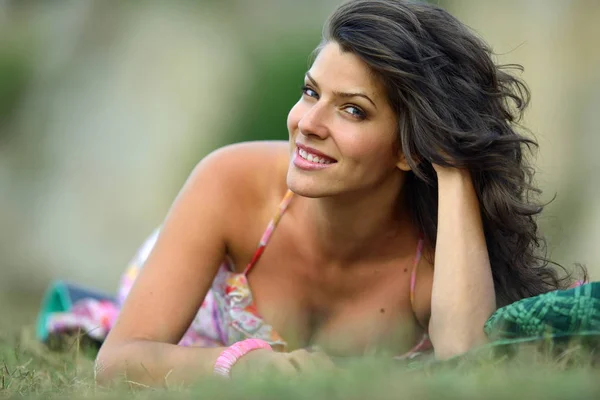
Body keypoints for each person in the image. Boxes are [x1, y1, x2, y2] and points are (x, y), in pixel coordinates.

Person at [94, 0, 580, 386]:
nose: (307, 124)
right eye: (311, 92)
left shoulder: (436, 258)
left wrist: (452, 167)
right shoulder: (229, 180)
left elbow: (472, 360)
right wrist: (246, 366)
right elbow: (117, 362)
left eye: (353, 111)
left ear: (411, 149)